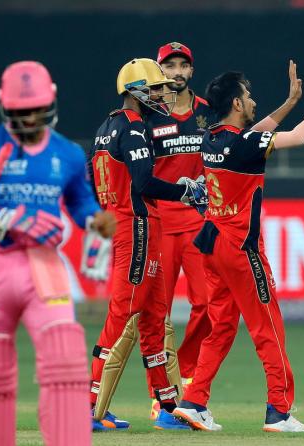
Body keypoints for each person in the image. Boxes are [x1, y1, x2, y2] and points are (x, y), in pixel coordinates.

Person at [0, 60, 116, 446]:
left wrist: (94, 220)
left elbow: (79, 203)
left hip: (43, 265)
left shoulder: (70, 154)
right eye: (20, 112)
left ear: (51, 101)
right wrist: (16, 219)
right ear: (3, 104)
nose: (28, 119)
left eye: (36, 110)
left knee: (66, 362)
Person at [171, 61, 304, 432]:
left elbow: (258, 133)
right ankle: (279, 410)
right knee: (268, 326)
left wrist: (291, 100)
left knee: (221, 327)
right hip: (241, 248)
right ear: (237, 104)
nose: (254, 101)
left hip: (211, 244)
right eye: (248, 96)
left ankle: (194, 403)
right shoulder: (242, 144)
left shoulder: (213, 138)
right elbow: (299, 138)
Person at [88, 58, 206, 431]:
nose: (160, 94)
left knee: (154, 320)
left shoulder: (106, 127)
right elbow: (143, 184)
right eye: (154, 88)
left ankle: (168, 406)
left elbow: (100, 181)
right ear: (136, 90)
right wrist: (185, 191)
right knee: (123, 315)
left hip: (136, 225)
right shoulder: (135, 128)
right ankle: (87, 403)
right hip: (137, 226)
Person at [144, 42, 215, 421]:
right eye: (168, 65)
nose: (175, 71)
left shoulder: (208, 112)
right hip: (158, 222)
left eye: (181, 64)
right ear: (158, 71)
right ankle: (161, 394)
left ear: (191, 70)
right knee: (156, 312)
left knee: (208, 305)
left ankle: (184, 374)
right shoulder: (148, 115)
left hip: (198, 223)